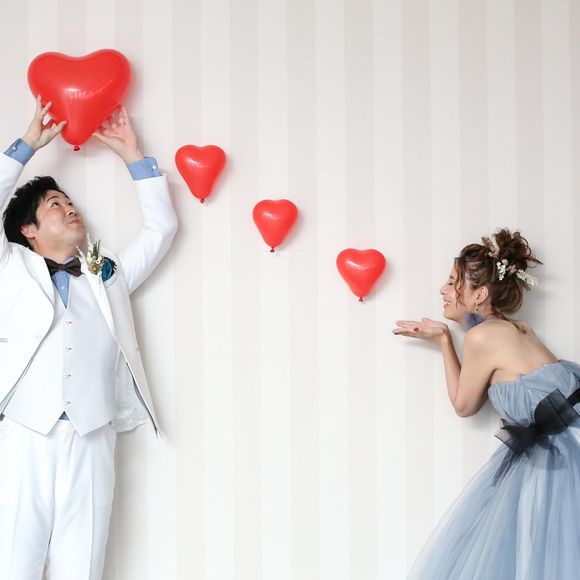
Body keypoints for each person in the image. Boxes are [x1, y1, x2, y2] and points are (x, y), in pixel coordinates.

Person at [0, 96, 178, 580]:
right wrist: (27, 144)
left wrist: (132, 154)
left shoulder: (107, 271)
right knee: (13, 562)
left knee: (82, 565)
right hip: (25, 433)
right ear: (28, 230)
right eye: (55, 205)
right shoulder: (11, 268)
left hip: (93, 433)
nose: (70, 208)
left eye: (71, 202)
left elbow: (161, 229)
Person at [393, 227, 580, 580]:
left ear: (479, 294)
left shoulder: (482, 337)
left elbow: (464, 405)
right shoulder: (519, 329)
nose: (443, 290)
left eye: (453, 282)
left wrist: (445, 341)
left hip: (562, 455)